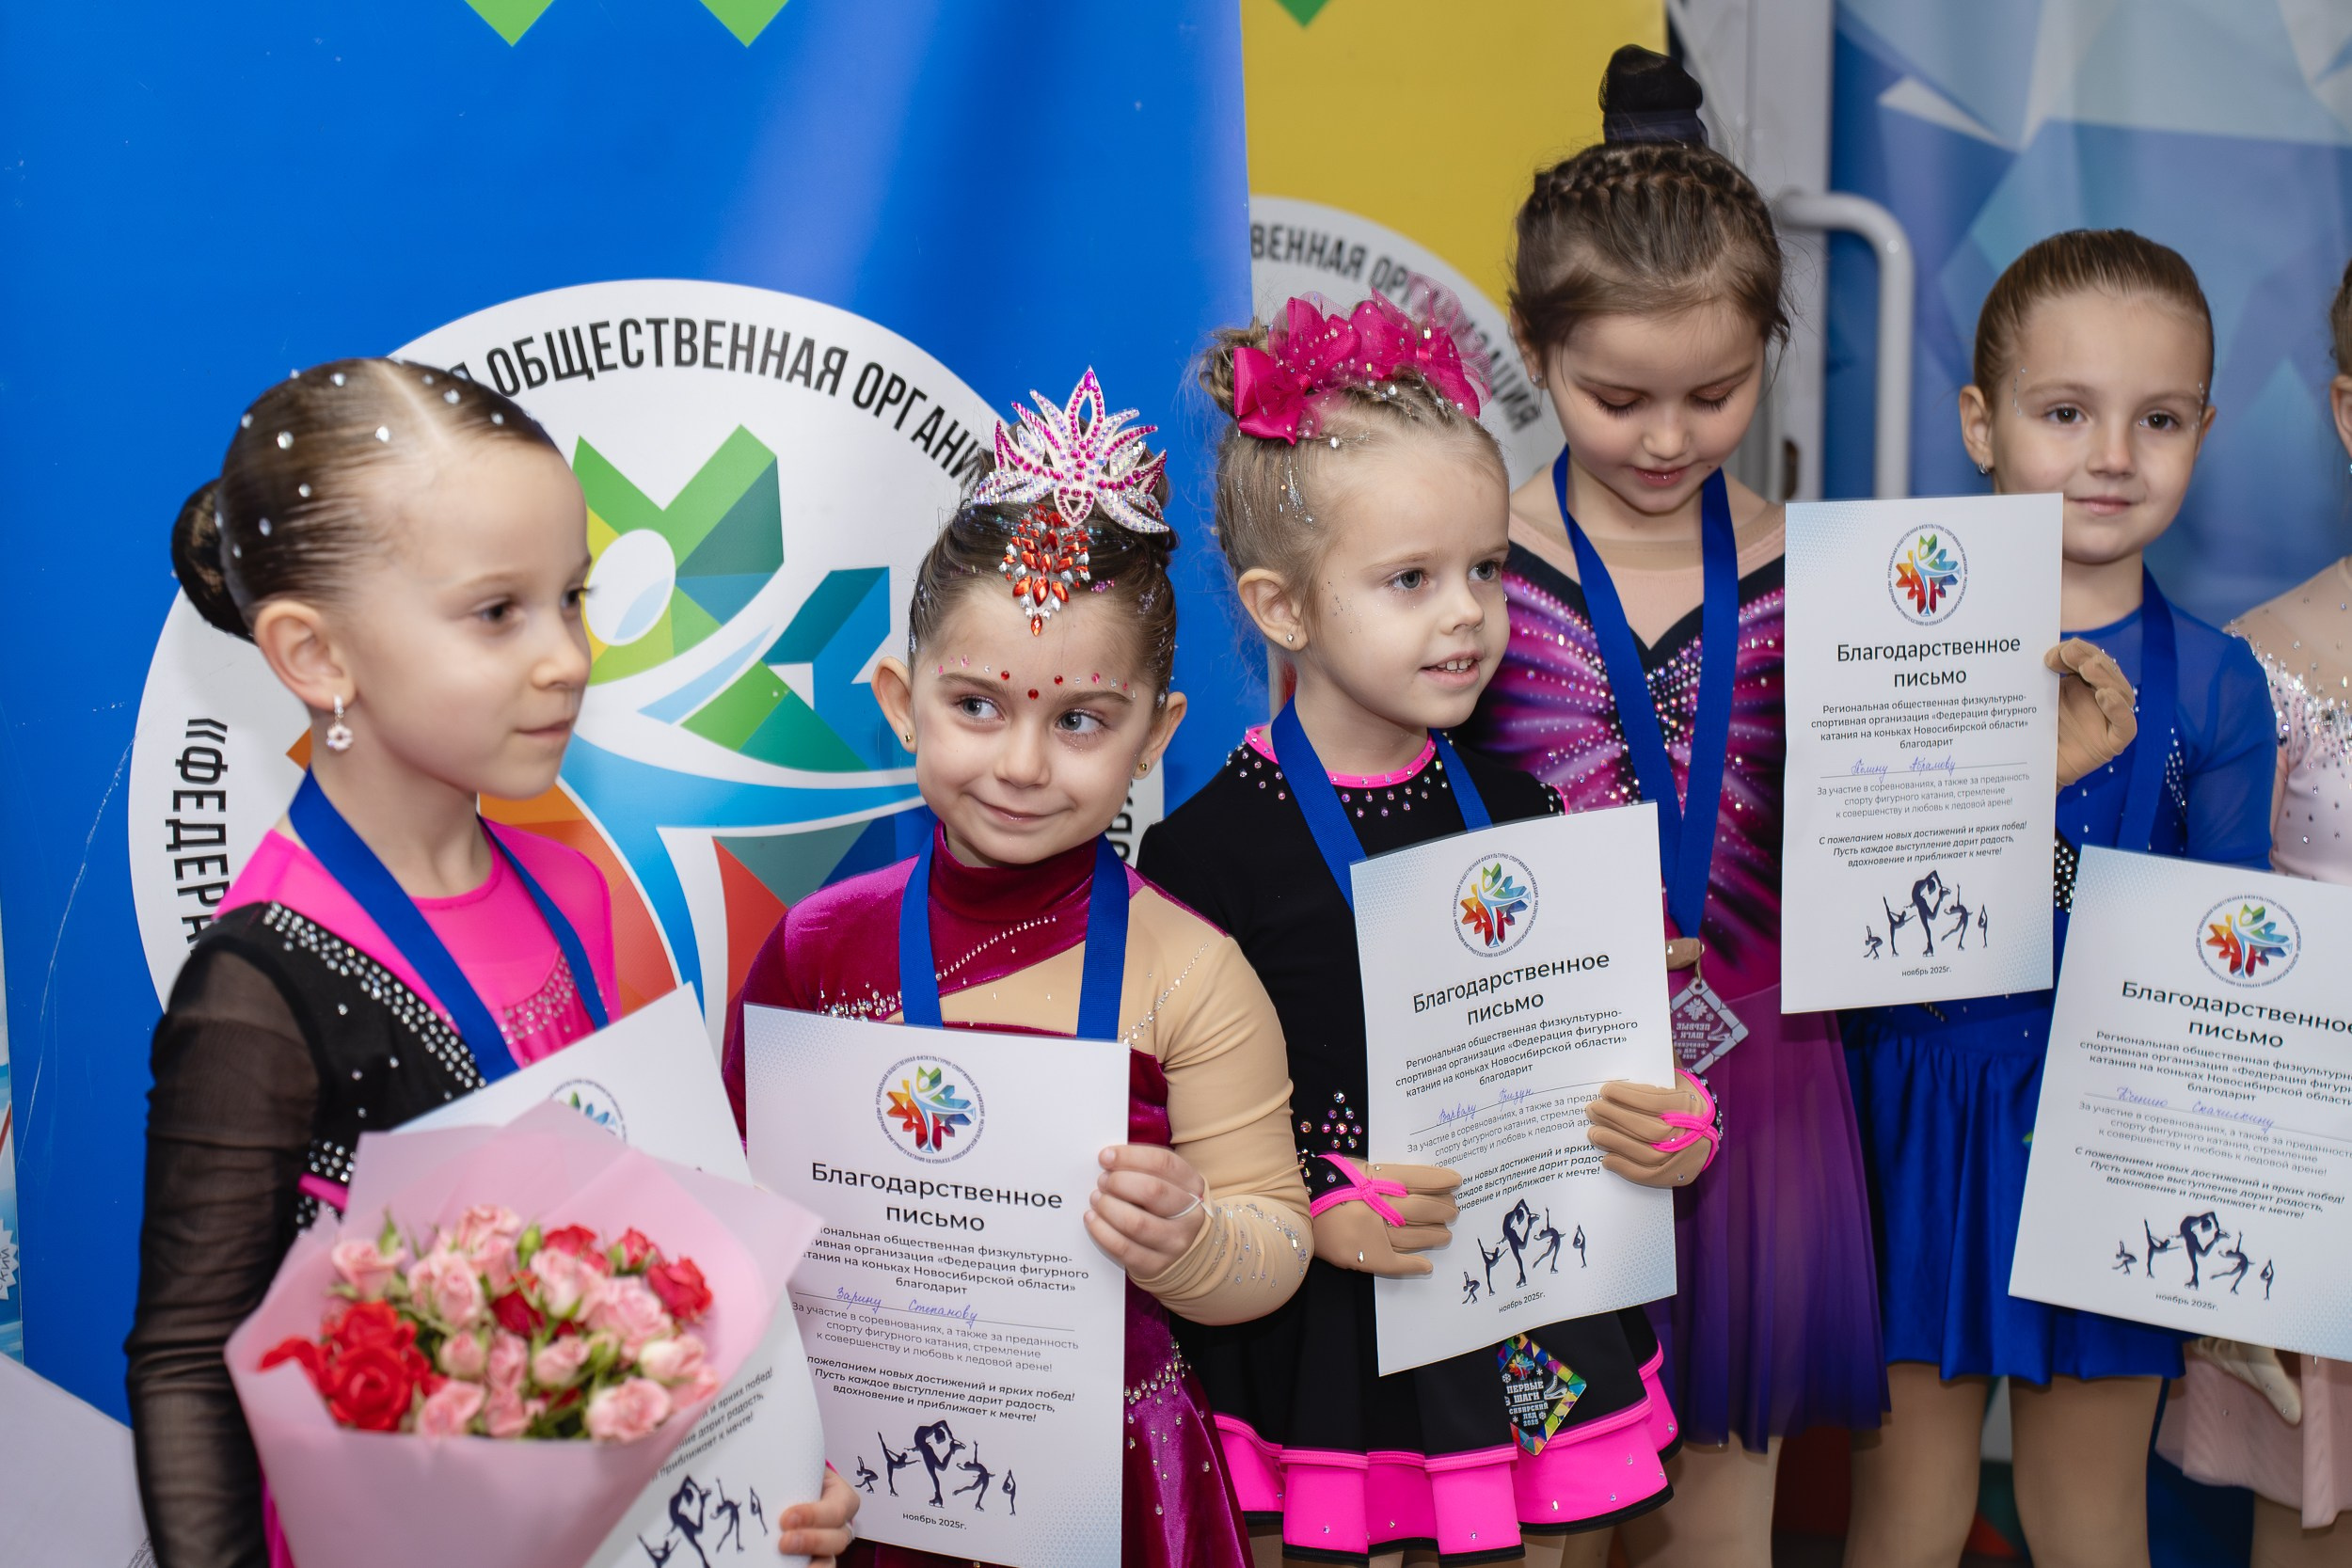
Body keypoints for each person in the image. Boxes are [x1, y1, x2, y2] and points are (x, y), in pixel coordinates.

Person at [124, 359, 859, 1566]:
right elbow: (187, 1360)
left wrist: (773, 1466)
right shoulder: (259, 987)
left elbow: (644, 1252)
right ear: (315, 656)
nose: (567, 655)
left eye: (567, 598)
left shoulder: (571, 888)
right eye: (496, 612)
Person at [1140, 291, 1723, 1568]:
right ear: (1279, 606)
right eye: (1410, 580)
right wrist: (1306, 1210)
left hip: (1528, 1309)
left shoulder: (1524, 808)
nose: (1465, 611)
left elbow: (1603, 1073)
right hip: (1330, 1328)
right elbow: (1172, 1138)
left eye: (1484, 569)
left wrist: (1668, 1121)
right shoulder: (1203, 856)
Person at [719, 370, 1314, 1568]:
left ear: (1157, 732)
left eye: (1083, 721)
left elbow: (1276, 1242)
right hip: (854, 1474)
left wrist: (1193, 1237)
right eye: (977, 705)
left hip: (1112, 1484)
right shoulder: (818, 944)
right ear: (900, 702)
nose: (1024, 762)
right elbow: (735, 1229)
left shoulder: (1189, 970)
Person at [1457, 47, 1885, 1564]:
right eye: (1614, 395)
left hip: (1761, 1077)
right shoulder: (1469, 570)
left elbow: (1888, 832)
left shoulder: (1833, 570)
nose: (1664, 438)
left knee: (1725, 1504)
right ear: (1529, 349)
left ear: (1772, 345)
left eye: (1716, 393)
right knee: (1540, 1496)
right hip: (1539, 1088)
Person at [1841, 231, 2276, 1568]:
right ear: (1982, 423)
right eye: (2066, 412)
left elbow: (2234, 969)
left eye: (2157, 419)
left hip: (2112, 1132)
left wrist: (2233, 1197)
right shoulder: (1883, 637)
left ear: (2204, 429)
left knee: (2091, 1519)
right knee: (1906, 1512)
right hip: (1916, 1110)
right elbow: (1850, 908)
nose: (2112, 455)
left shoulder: (2218, 686)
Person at [2167, 255, 2352, 1563]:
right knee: (2310, 1513)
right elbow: (2200, 951)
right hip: (2313, 1174)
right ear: (2349, 409)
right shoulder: (2261, 664)